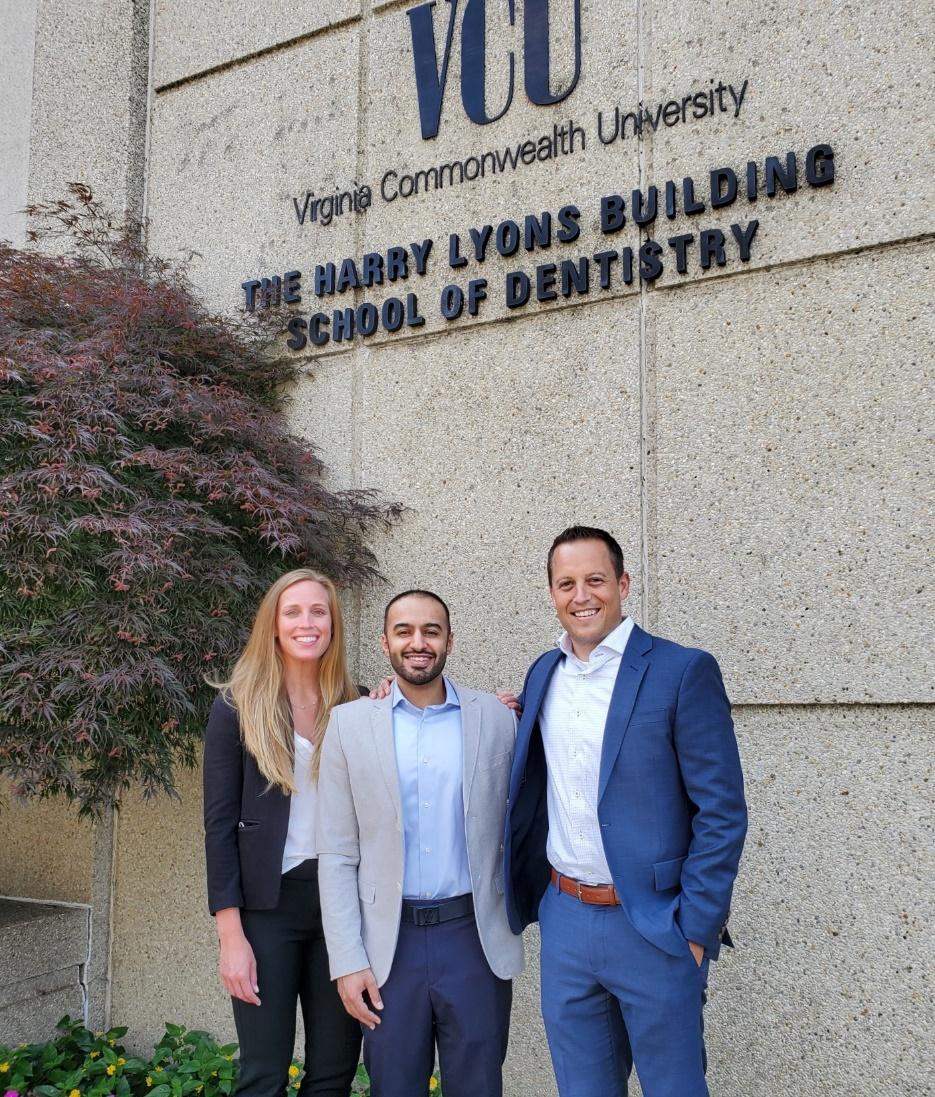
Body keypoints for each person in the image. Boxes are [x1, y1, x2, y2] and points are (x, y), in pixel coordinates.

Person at [503, 526, 747, 1097]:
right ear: (551, 593)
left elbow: (723, 810)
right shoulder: (543, 673)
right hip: (566, 922)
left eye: (595, 580)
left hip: (655, 926)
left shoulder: (682, 670)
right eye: (566, 583)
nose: (581, 595)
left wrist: (695, 927)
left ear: (623, 584)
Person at [316, 590, 524, 1097]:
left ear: (450, 640)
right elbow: (338, 852)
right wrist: (347, 960)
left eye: (431, 631)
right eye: (404, 631)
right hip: (389, 946)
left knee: (477, 1087)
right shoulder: (349, 724)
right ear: (386, 641)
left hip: (473, 938)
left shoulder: (497, 719)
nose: (418, 642)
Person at [203, 569, 363, 1097]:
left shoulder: (358, 705)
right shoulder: (235, 708)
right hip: (266, 912)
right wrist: (231, 937)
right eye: (292, 612)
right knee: (264, 1073)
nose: (306, 623)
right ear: (272, 625)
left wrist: (491, 712)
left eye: (319, 611)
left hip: (341, 908)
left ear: (333, 624)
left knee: (334, 1073)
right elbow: (219, 827)